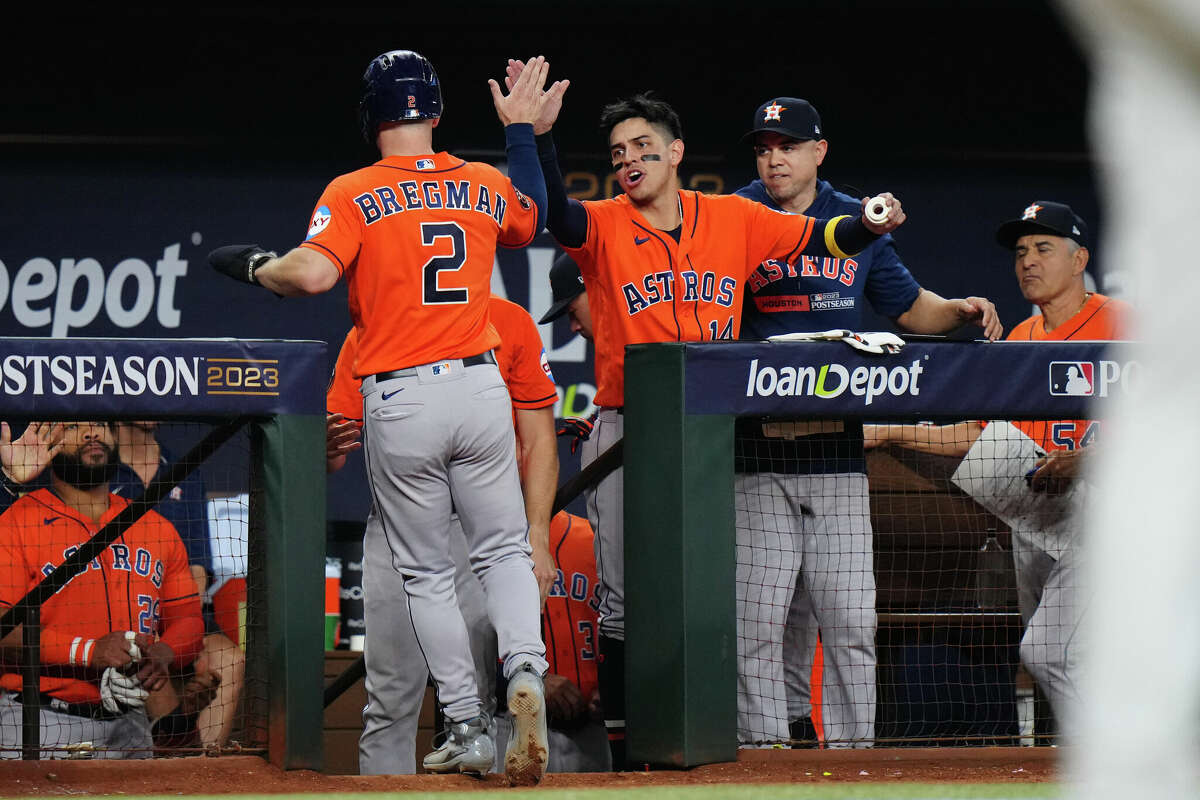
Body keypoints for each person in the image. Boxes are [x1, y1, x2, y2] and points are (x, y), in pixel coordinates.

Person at [505, 59, 907, 758]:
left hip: (712, 436)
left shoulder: (734, 218)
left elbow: (824, 241)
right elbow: (550, 214)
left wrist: (868, 225)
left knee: (728, 599)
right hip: (628, 430)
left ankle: (742, 743)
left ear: (676, 152)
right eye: (619, 153)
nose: (630, 161)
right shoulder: (602, 224)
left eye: (643, 148)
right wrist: (534, 138)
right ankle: (631, 755)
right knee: (626, 601)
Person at [209, 50, 563, 783]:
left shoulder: (355, 188)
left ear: (370, 117)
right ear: (434, 112)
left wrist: (256, 267)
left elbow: (309, 274)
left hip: (403, 394)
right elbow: (532, 219)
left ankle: (465, 721)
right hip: (478, 384)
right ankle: (525, 665)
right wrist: (522, 132)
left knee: (428, 573)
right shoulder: (482, 180)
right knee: (502, 551)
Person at [733, 97, 1002, 747]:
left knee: (852, 624)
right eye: (765, 146)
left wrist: (960, 310)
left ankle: (856, 762)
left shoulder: (854, 220)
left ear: (818, 151)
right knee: (758, 626)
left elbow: (911, 310)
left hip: (836, 452)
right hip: (754, 452)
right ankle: (764, 760)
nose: (775, 157)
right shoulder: (734, 214)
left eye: (789, 145)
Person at [865, 201, 1130, 726]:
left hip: (1111, 517)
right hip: (1038, 520)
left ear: (1080, 260)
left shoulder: (1124, 324)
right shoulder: (1020, 341)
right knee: (1060, 661)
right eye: (1021, 252)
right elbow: (985, 436)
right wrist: (891, 429)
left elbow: (1175, 414)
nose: (1028, 261)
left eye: (1044, 248)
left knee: (1054, 654)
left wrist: (1093, 457)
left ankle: (1124, 757)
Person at [325, 294, 559, 775]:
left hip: (419, 530)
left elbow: (538, 435)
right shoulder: (374, 329)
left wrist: (537, 532)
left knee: (404, 701)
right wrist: (534, 535)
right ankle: (524, 668)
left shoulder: (503, 322)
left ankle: (476, 732)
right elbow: (538, 440)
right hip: (477, 532)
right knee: (427, 695)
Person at [0, 421, 204, 759]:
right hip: (40, 719)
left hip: (132, 722)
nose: (91, 433)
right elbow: (3, 628)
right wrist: (88, 651)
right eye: (74, 427)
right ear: (47, 442)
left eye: (100, 425)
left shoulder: (156, 527)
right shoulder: (15, 522)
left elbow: (189, 621)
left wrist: (163, 654)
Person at [110, 422, 245, 751]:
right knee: (146, 656)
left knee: (228, 659)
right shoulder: (100, 465)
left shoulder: (183, 468)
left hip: (176, 608)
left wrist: (187, 631)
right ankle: (170, 763)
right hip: (116, 611)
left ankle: (200, 768)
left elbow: (198, 566)